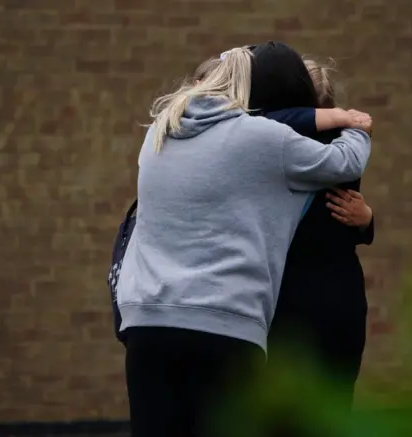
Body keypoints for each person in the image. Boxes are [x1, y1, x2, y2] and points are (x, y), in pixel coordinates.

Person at [117, 46, 373, 437]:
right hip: (224, 322)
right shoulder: (260, 139)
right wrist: (354, 124)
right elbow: (346, 162)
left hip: (147, 319)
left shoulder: (161, 129)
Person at [248, 43, 375, 435]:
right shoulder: (332, 142)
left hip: (303, 297)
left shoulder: (282, 143)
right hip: (316, 298)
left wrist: (366, 221)